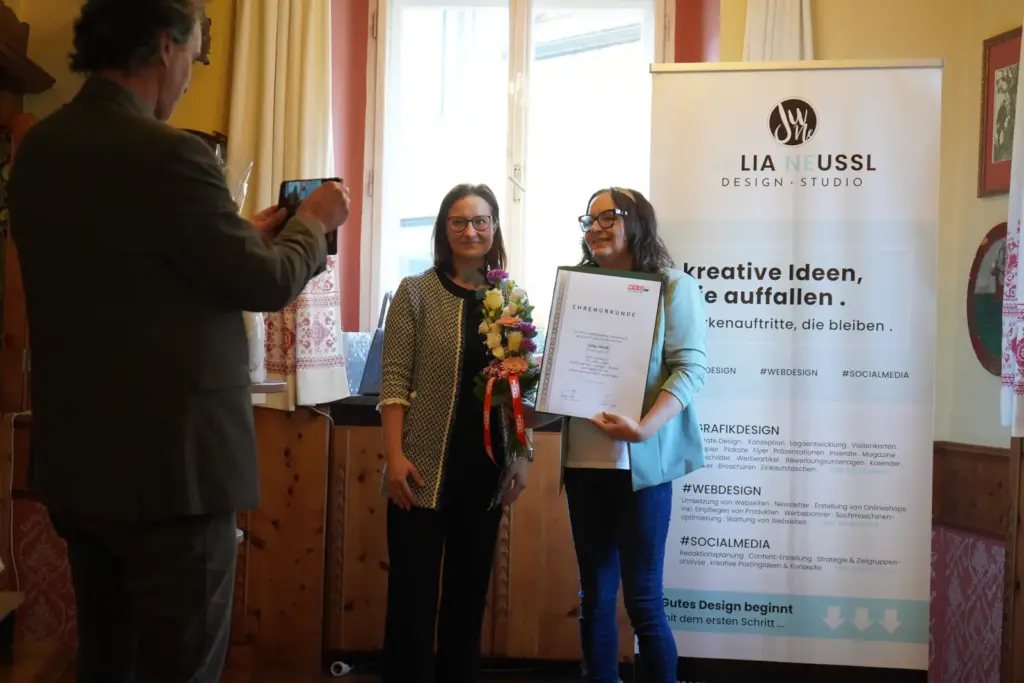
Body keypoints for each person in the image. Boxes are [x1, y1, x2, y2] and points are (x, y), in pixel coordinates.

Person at [6, 1, 350, 681]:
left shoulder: (39, 149)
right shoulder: (170, 155)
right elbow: (268, 282)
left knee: (108, 658)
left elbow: (130, 274)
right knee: (182, 667)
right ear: (166, 47)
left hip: (80, 465)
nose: (191, 76)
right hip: (174, 475)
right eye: (193, 56)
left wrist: (235, 235)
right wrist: (312, 221)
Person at [379, 183, 531, 683]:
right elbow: (395, 383)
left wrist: (520, 456)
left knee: (468, 602)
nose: (471, 231)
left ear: (494, 229)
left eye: (481, 221)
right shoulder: (416, 292)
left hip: (484, 475)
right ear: (444, 230)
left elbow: (517, 391)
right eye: (459, 222)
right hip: (420, 471)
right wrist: (394, 458)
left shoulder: (508, 299)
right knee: (412, 601)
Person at [562, 187, 708, 683]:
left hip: (639, 468)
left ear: (637, 223)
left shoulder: (672, 287)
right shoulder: (576, 289)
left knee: (644, 600)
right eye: (590, 218)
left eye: (609, 216)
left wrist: (644, 428)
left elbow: (690, 371)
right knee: (595, 600)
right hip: (584, 464)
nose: (597, 226)